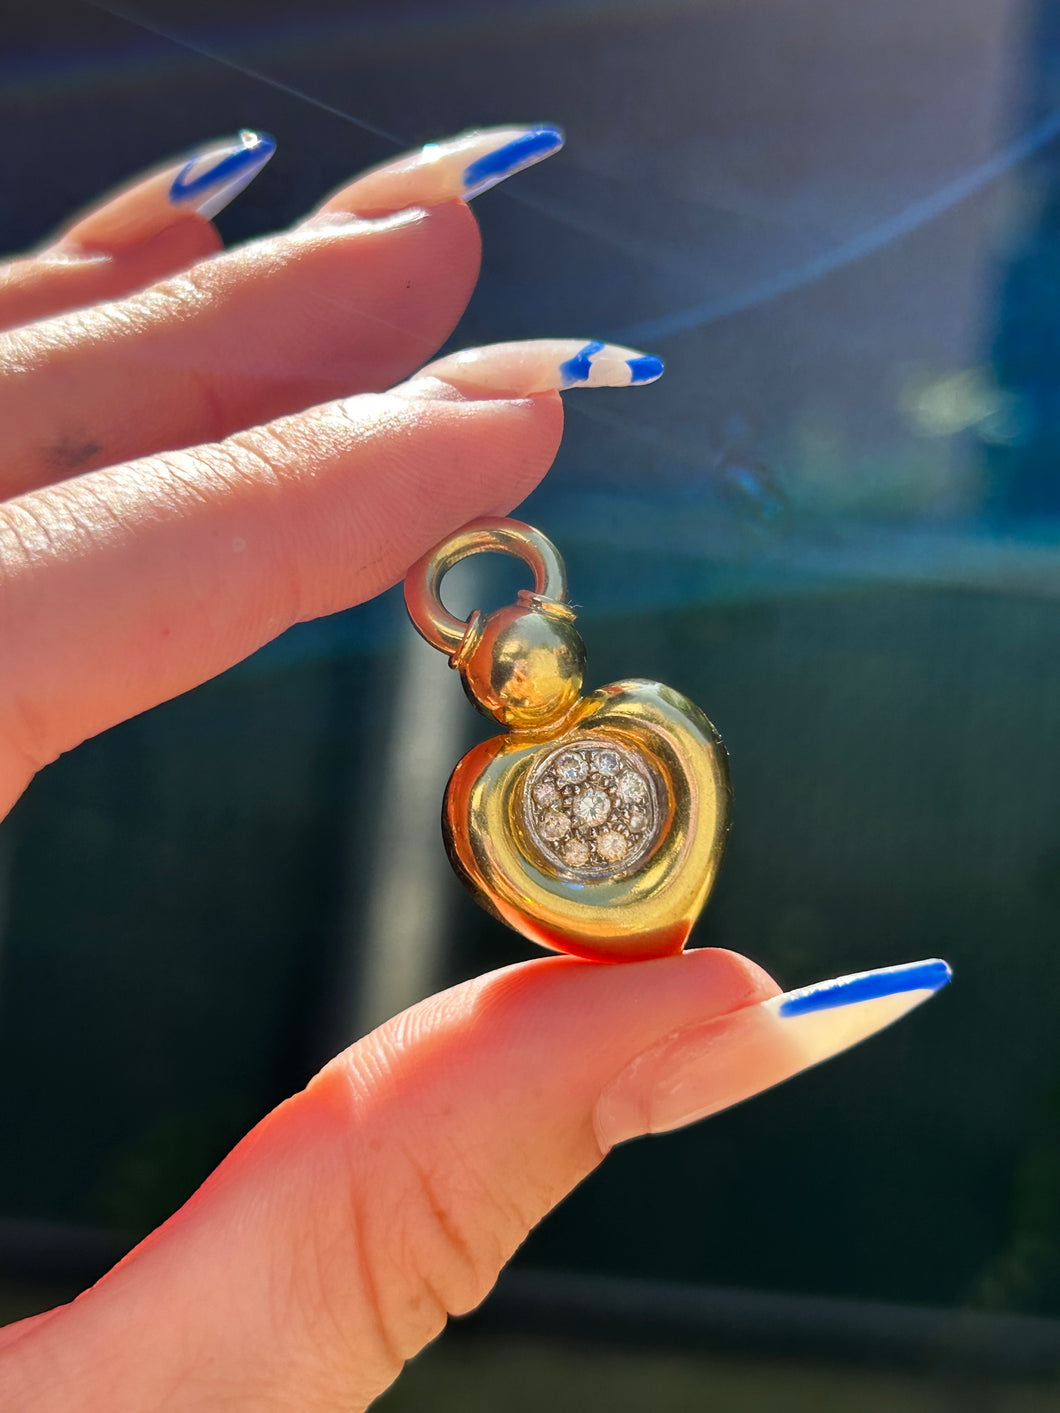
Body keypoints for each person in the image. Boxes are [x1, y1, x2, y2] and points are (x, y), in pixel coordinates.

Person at [0, 125, 949, 1411]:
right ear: (485, 668)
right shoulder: (494, 791)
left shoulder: (649, 719)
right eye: (509, 668)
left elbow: (681, 782)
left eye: (541, 654)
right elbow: (529, 840)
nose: (535, 677)